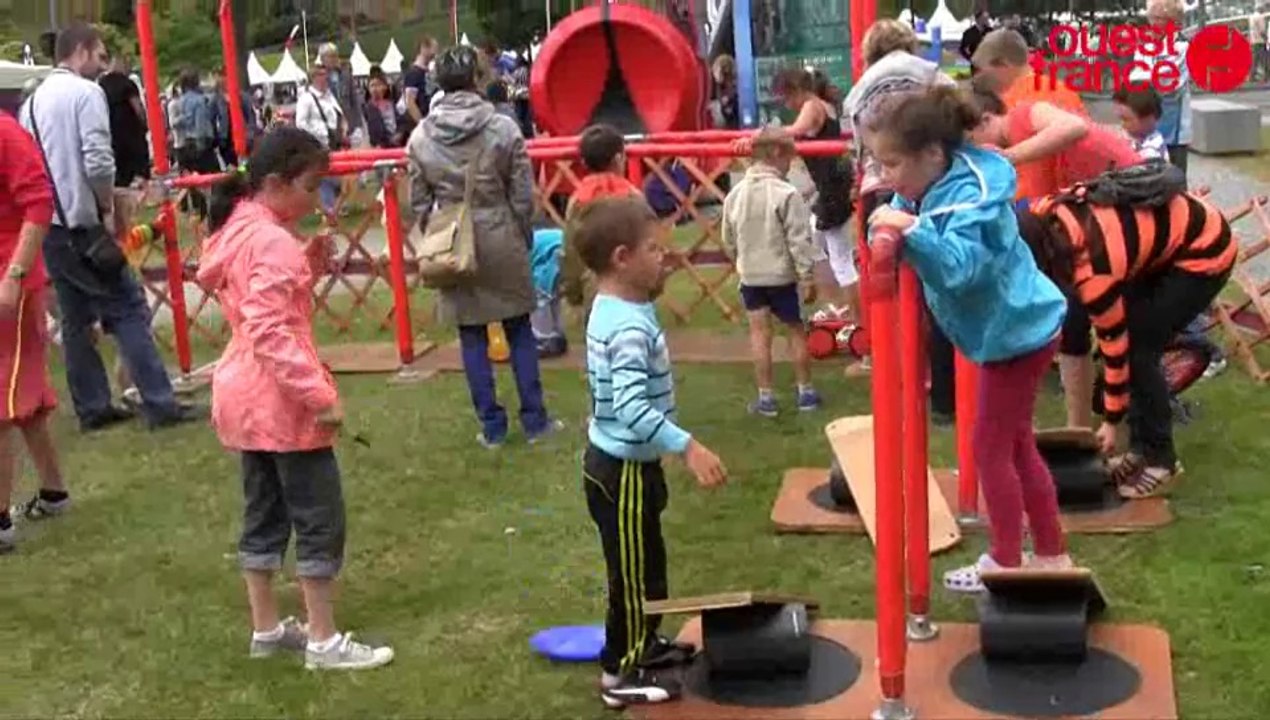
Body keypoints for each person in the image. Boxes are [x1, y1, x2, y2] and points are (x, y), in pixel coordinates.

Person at [197, 126, 394, 671]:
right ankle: (324, 640)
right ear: (279, 183)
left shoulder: (239, 229)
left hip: (242, 395)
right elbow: (271, 329)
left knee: (263, 512)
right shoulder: (271, 241)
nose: (319, 199)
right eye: (313, 187)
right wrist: (318, 395)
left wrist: (304, 262)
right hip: (279, 400)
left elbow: (252, 297)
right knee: (317, 516)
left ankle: (266, 627)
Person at [864, 85, 1072, 591]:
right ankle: (1050, 551)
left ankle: (1006, 558)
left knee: (989, 448)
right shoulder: (929, 181)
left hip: (1017, 332)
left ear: (932, 154)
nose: (883, 175)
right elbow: (901, 212)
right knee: (1016, 446)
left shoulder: (970, 197)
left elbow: (958, 268)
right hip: (1010, 329)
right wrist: (890, 224)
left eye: (890, 164)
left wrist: (907, 232)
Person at [572, 194, 728, 708]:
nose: (667, 257)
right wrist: (688, 447)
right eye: (654, 250)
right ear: (623, 258)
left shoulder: (617, 306)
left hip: (624, 465)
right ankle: (621, 673)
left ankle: (647, 642)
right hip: (622, 472)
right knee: (634, 575)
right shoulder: (629, 327)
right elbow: (632, 409)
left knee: (647, 565)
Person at [21, 22, 203, 433]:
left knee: (74, 318)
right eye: (101, 56)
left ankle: (93, 406)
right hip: (84, 223)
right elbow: (98, 160)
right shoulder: (87, 94)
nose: (104, 66)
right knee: (128, 307)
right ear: (82, 51)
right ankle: (159, 402)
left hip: (50, 227)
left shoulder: (30, 105)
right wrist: (108, 204)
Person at [1021, 189, 1236, 499]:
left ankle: (1163, 462)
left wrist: (1111, 421)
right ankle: (1140, 450)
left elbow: (1115, 347)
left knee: (1139, 349)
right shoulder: (1042, 211)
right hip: (1157, 245)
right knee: (1137, 341)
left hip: (1204, 250)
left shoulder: (1094, 272)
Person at [407, 46, 562, 448]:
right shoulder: (504, 128)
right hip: (501, 232)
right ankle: (535, 421)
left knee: (471, 335)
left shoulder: (421, 137)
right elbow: (524, 194)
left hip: (455, 240)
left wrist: (437, 233)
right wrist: (520, 231)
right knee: (519, 329)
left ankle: (492, 427)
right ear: (477, 78)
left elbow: (419, 202)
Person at [971, 81, 1141, 428]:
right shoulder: (1026, 150)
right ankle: (1079, 430)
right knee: (1072, 319)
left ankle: (1123, 423)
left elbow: (1074, 127)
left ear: (985, 121)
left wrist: (1007, 156)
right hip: (1102, 222)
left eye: (970, 144)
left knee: (1119, 327)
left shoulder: (1023, 116)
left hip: (1133, 212)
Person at [845, 17, 958, 402]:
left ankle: (900, 379)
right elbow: (956, 118)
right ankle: (944, 390)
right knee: (940, 286)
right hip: (936, 186)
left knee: (889, 293)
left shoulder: (858, 92)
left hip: (881, 192)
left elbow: (862, 155)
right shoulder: (931, 75)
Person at [0, 112, 70, 552]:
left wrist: (14, 275)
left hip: (11, 276)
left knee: (3, 395)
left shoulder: (5, 133)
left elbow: (40, 203)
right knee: (21, 392)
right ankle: (54, 491)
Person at [735, 66, 854, 324]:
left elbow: (791, 131)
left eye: (787, 97)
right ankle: (840, 307)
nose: (787, 104)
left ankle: (853, 315)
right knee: (817, 242)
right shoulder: (822, 105)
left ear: (798, 91)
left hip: (834, 185)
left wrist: (758, 136)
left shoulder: (812, 106)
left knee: (839, 255)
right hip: (833, 183)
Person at [722, 128, 821, 415]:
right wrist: (807, 275)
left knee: (759, 334)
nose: (792, 164)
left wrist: (741, 261)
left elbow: (728, 238)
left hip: (751, 276)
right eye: (790, 157)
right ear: (776, 154)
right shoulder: (786, 193)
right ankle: (806, 393)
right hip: (783, 276)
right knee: (795, 331)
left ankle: (766, 398)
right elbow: (799, 240)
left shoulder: (735, 195)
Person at [971, 28, 1087, 202]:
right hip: (1075, 200)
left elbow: (1034, 180)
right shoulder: (1062, 90)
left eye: (978, 69)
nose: (975, 78)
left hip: (1041, 207)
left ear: (1002, 64)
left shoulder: (1016, 102)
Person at [562, 124, 643, 327]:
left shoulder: (578, 201)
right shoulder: (633, 197)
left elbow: (571, 251)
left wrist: (572, 292)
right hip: (633, 290)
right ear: (618, 159)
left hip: (595, 292)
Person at [1130, 0, 1191, 176]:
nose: (1152, 23)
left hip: (1175, 127)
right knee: (1150, 178)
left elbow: (1169, 83)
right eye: (1151, 17)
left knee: (1175, 179)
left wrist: (1145, 80)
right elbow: (1135, 77)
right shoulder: (1145, 46)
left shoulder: (1183, 47)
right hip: (1149, 123)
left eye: (1158, 18)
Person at [295, 63, 347, 215]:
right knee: (325, 177)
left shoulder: (330, 96)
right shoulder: (306, 99)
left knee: (337, 175)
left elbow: (338, 114)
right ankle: (329, 209)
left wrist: (343, 128)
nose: (326, 78)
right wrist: (321, 132)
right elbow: (301, 123)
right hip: (318, 145)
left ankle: (336, 206)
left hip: (334, 142)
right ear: (313, 78)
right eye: (322, 75)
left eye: (326, 75)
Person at [98, 55, 149, 188]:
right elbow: (137, 107)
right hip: (130, 132)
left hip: (111, 133)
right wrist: (144, 123)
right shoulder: (127, 84)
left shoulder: (101, 85)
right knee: (136, 170)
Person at [318, 42, 363, 139]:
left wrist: (358, 125)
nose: (334, 59)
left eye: (335, 56)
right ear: (322, 59)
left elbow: (354, 100)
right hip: (329, 126)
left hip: (348, 124)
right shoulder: (318, 77)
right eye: (330, 56)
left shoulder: (346, 75)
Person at [1111, 87, 1167, 161]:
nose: (1122, 124)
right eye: (1121, 119)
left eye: (1126, 120)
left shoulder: (1152, 149)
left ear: (1148, 119)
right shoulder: (1126, 134)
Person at [400, 36, 439, 129]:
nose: (436, 52)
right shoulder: (414, 73)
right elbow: (410, 103)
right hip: (419, 126)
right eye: (433, 48)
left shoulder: (428, 72)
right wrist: (422, 124)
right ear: (423, 48)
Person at [363, 73, 405, 148]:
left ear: (385, 87)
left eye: (378, 85)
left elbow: (401, 122)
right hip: (380, 146)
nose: (375, 89)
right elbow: (373, 130)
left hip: (396, 143)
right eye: (372, 85)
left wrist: (400, 133)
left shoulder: (392, 104)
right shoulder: (367, 108)